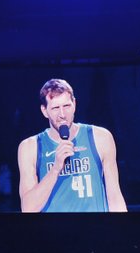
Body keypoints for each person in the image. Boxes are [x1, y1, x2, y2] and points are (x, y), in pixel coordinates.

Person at [17, 78, 127, 213]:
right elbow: (28, 209)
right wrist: (56, 169)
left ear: (74, 104)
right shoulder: (30, 147)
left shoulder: (101, 137)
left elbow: (115, 197)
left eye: (67, 106)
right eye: (56, 108)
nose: (62, 114)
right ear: (44, 111)